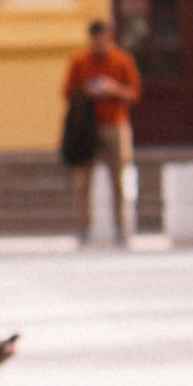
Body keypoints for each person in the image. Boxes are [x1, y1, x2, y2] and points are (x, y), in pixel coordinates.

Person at [62, 15, 141, 245]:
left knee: (119, 178)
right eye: (95, 40)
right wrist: (87, 91)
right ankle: (83, 227)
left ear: (109, 38)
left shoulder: (122, 61)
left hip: (115, 125)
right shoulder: (79, 62)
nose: (98, 44)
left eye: (102, 40)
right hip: (87, 128)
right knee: (82, 181)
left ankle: (120, 226)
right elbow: (67, 92)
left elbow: (133, 93)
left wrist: (113, 89)